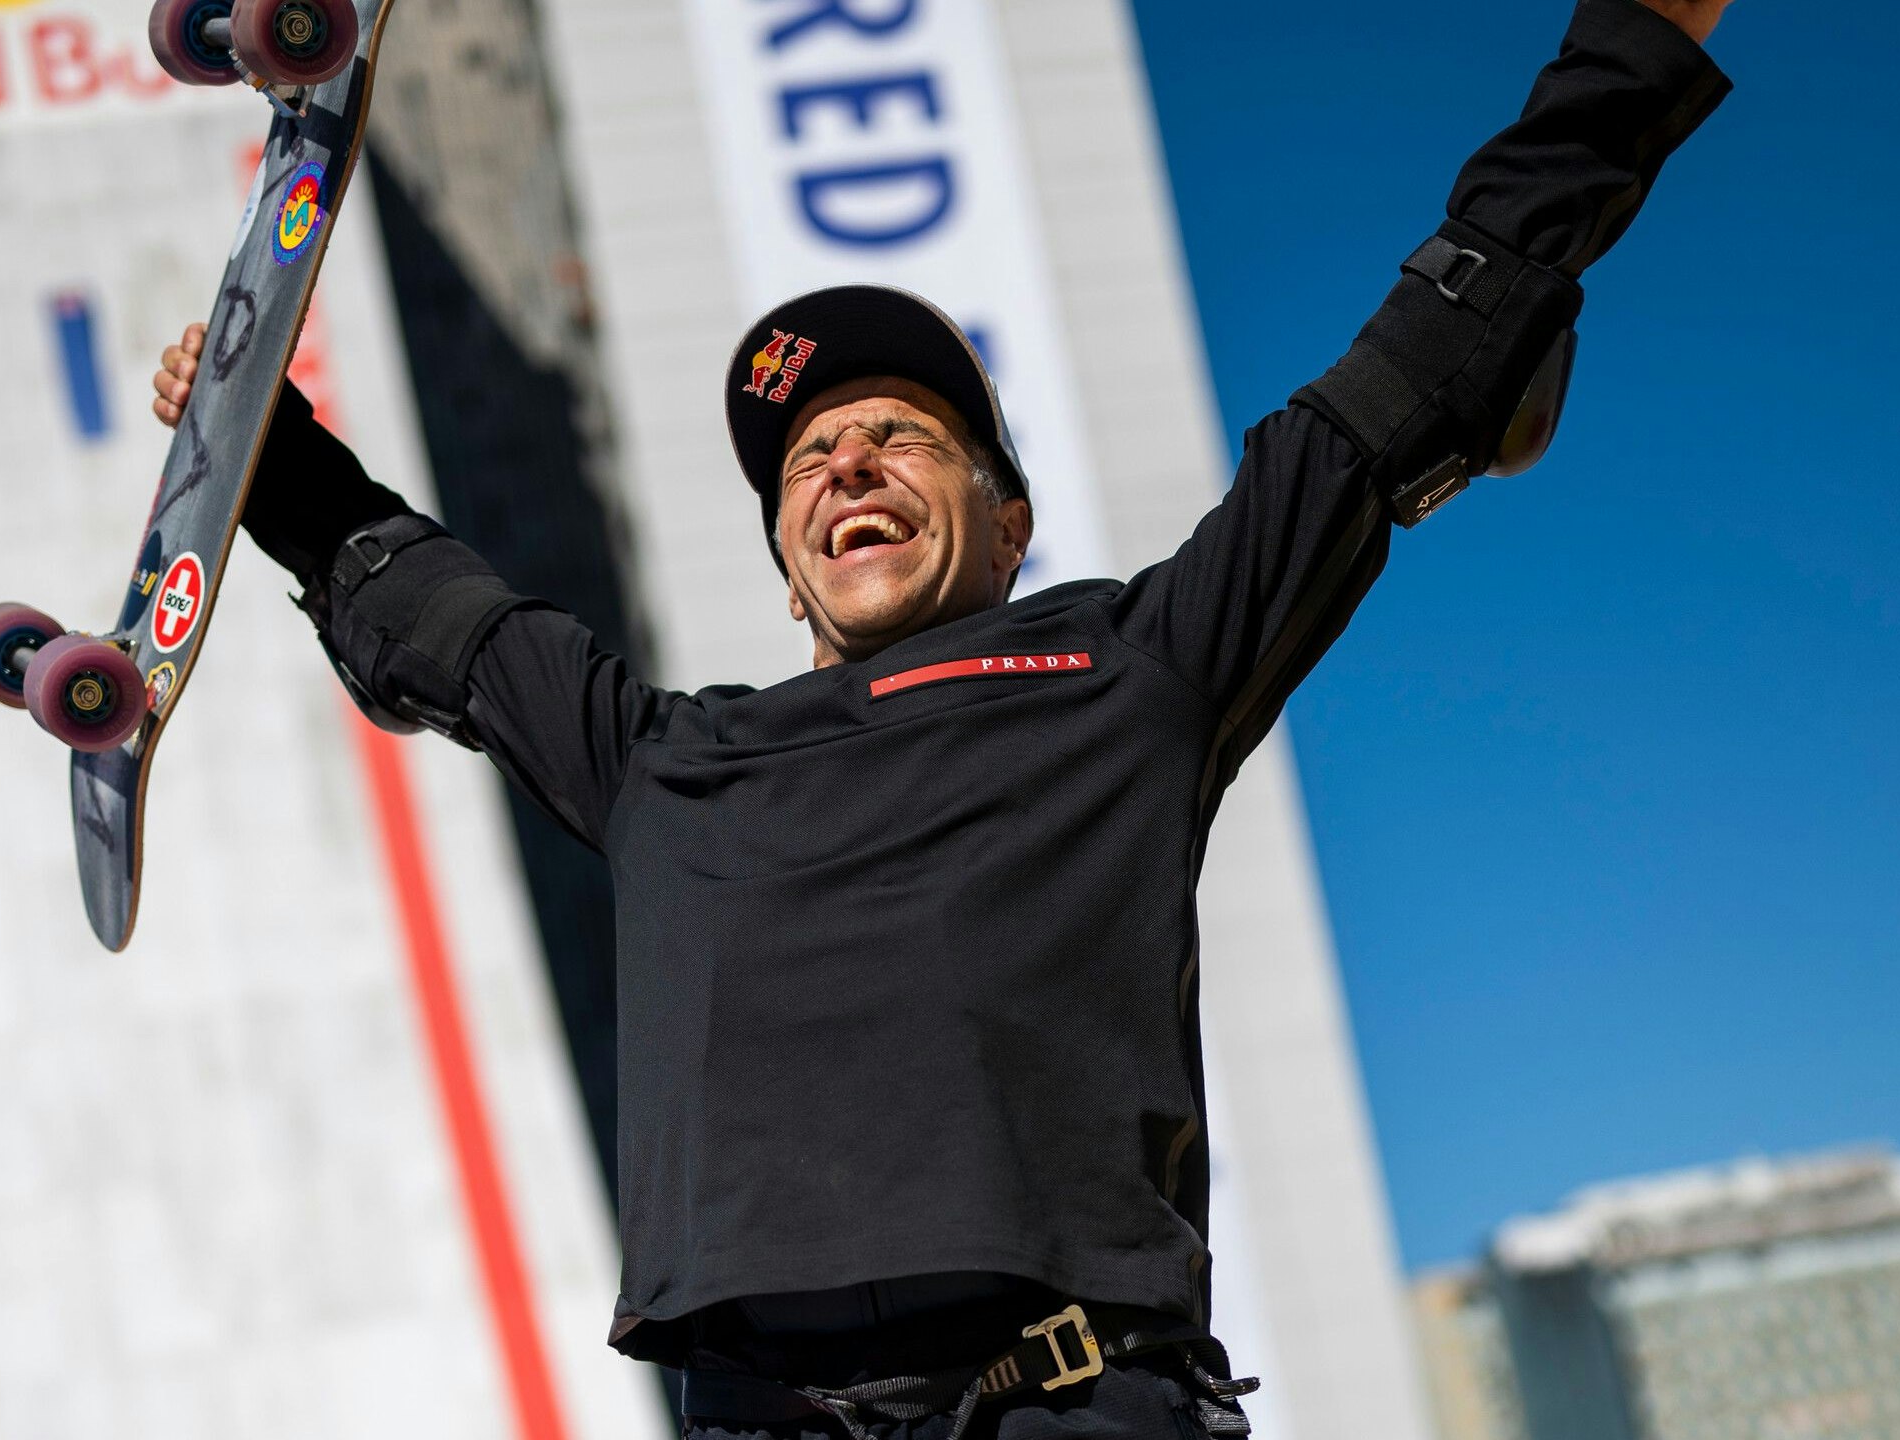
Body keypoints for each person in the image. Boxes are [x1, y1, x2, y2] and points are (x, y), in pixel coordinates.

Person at [152, 1, 1735, 1432]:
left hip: (1062, 1403)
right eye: (808, 462)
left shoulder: (1128, 673)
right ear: (787, 570)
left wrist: (1636, 46)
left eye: (899, 436)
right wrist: (272, 462)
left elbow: (1405, 384)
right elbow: (459, 628)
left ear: (1006, 516)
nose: (843, 466)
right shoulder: (670, 763)